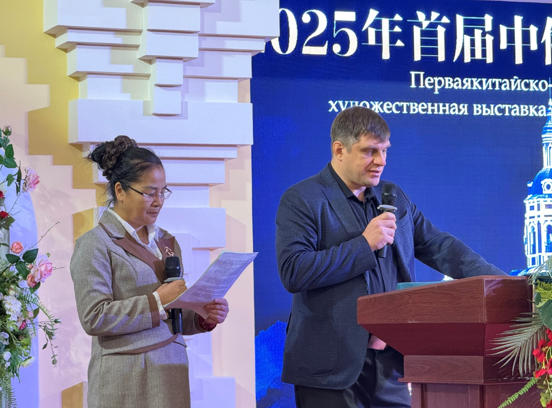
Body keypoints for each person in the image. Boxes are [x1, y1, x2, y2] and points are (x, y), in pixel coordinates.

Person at [275, 106, 505, 408]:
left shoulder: (393, 197)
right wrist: (364, 244)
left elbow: (440, 246)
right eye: (370, 151)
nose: (381, 161)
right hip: (329, 369)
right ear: (339, 150)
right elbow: (294, 271)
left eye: (384, 151)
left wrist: (501, 283)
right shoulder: (303, 199)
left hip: (390, 362)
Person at [70, 135, 229, 408]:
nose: (158, 201)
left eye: (163, 192)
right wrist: (157, 301)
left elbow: (173, 314)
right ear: (120, 191)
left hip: (171, 372)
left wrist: (202, 316)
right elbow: (94, 317)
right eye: (149, 192)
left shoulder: (167, 242)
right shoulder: (95, 244)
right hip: (125, 379)